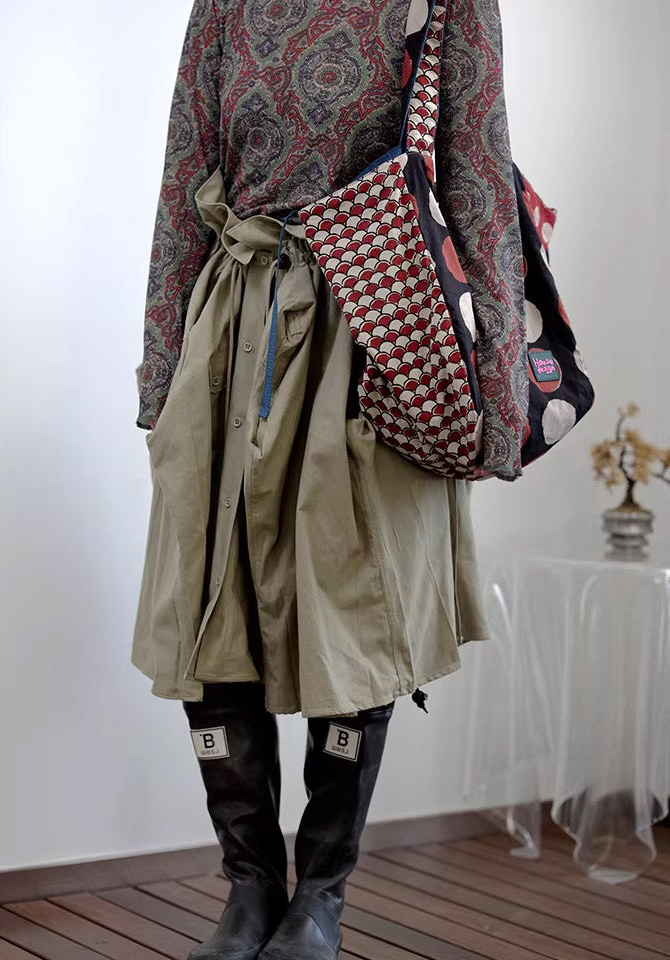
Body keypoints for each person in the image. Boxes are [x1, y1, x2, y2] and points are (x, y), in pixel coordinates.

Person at [132, 1, 521, 958]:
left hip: (378, 335)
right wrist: (162, 370)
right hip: (234, 334)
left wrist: (498, 387)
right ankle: (250, 888)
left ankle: (321, 899)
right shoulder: (225, 5)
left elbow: (479, 178)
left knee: (356, 613)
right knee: (210, 605)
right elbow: (185, 175)